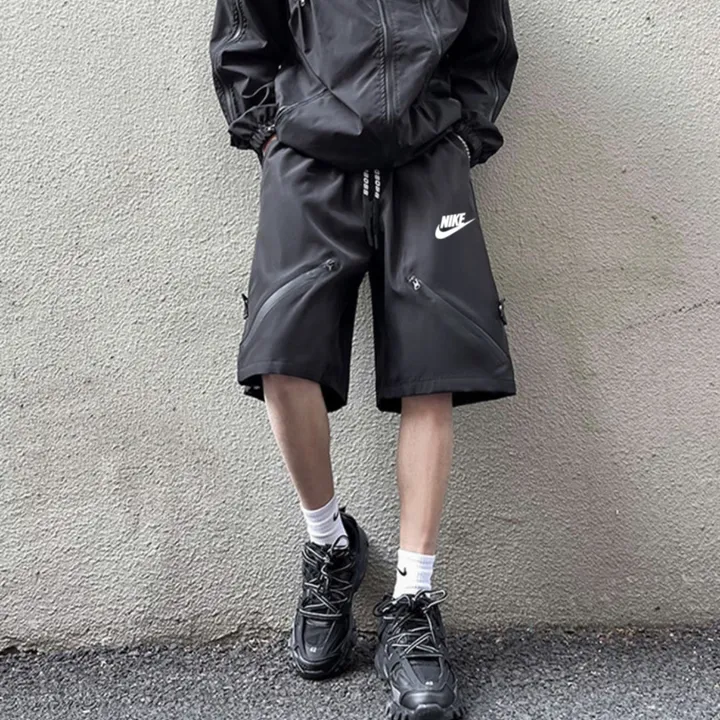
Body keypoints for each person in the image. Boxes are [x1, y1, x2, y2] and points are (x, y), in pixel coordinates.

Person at [209, 1, 518, 717]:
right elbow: (243, 36)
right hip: (307, 154)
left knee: (433, 370)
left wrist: (462, 136)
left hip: (428, 155)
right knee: (282, 356)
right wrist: (271, 131)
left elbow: (488, 45)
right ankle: (329, 546)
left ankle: (412, 602)